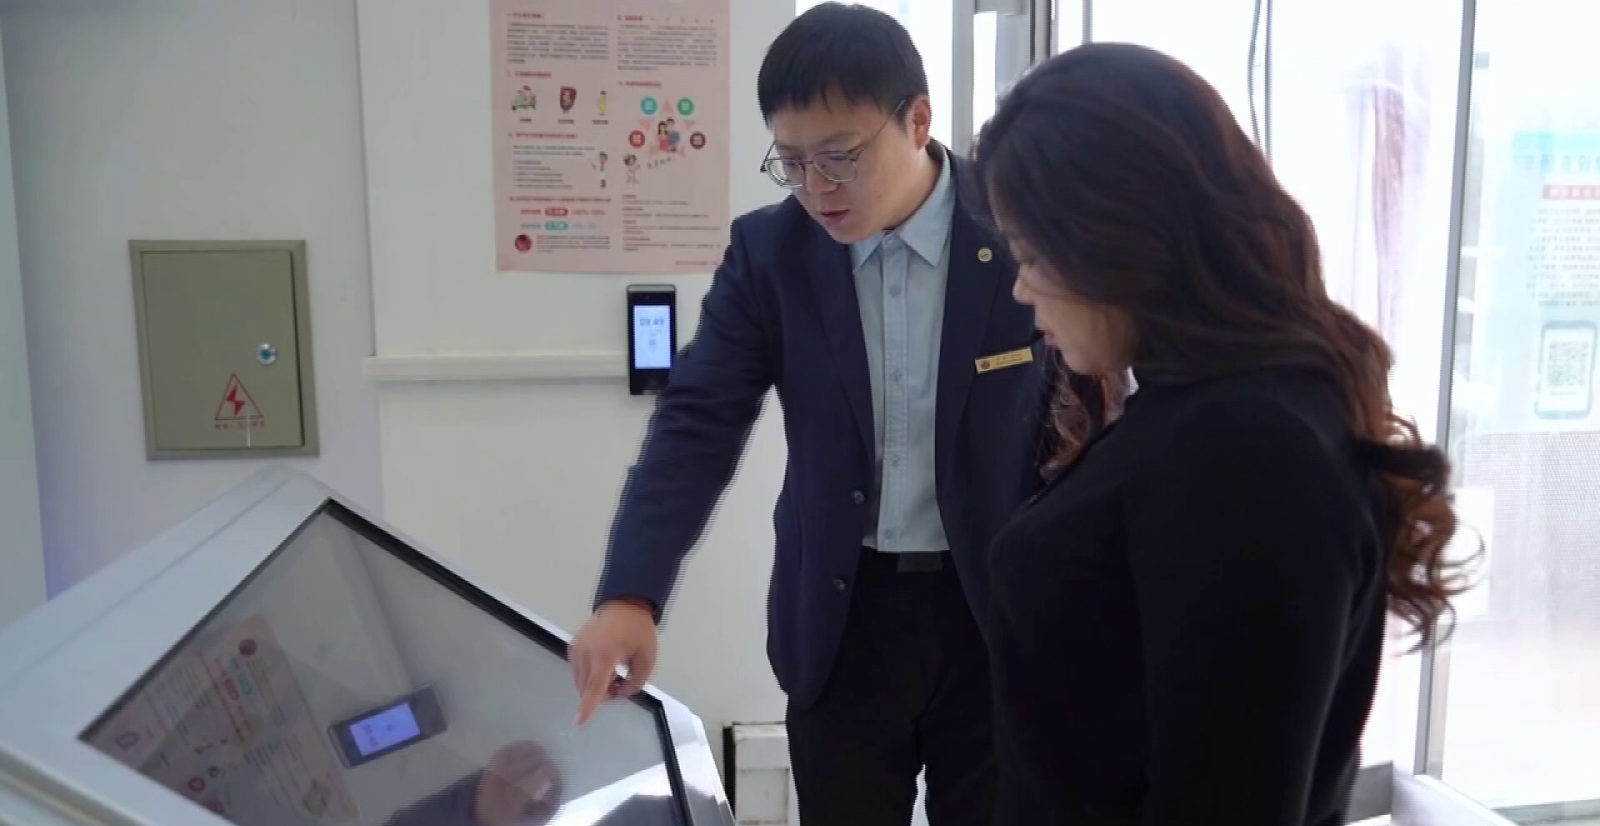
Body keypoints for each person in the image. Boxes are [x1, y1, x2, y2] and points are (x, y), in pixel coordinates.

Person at [568, 4, 1052, 825]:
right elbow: (697, 424)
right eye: (790, 162)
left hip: (995, 616)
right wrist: (631, 594)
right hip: (841, 617)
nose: (816, 189)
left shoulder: (1017, 227)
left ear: (918, 120)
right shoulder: (772, 254)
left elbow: (1096, 410)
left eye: (839, 158)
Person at [969, 43, 1468, 825]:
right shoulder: (1215, 409)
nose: (1021, 290)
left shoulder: (1245, 451)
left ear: (1120, 238)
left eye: (1033, 258)